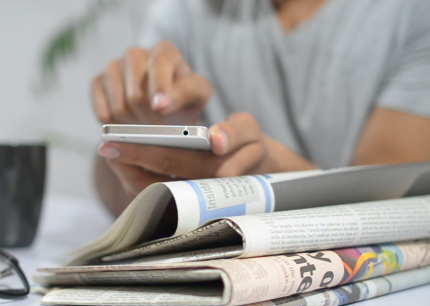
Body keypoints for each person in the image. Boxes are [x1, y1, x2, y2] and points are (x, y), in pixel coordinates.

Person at [91, 0, 430, 217]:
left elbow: (392, 215)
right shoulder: (186, 10)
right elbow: (115, 198)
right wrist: (138, 141)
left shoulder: (411, 14)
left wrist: (270, 182)